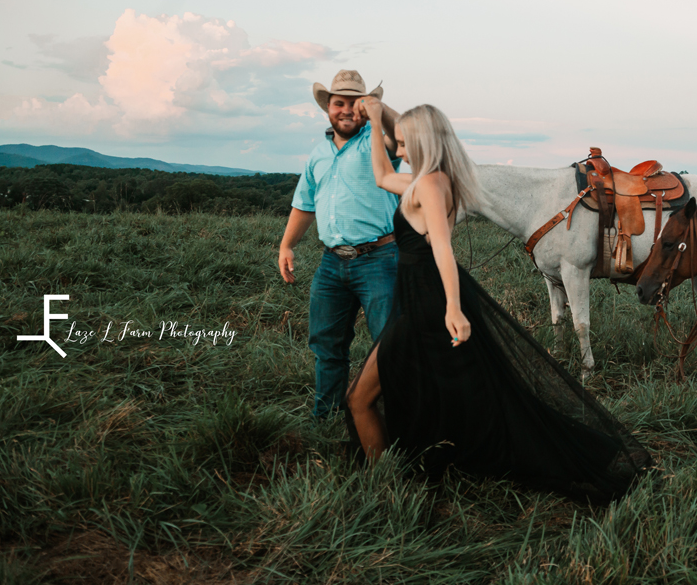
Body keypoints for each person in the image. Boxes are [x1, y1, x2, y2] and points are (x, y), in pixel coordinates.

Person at [345, 102, 652, 502]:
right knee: (461, 394)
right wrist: (375, 117)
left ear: (421, 143)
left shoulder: (433, 185)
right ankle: (399, 476)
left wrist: (453, 308)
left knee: (360, 397)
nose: (398, 151)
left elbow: (441, 249)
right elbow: (382, 175)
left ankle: (385, 491)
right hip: (416, 299)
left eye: (403, 144)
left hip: (428, 302)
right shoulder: (429, 181)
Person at [278, 69, 402, 419]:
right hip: (331, 264)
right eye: (339, 103)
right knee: (326, 344)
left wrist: (378, 110)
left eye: (355, 103)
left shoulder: (380, 141)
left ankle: (398, 422)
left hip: (379, 259)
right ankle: (328, 418)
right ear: (327, 108)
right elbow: (304, 204)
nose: (346, 110)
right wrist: (287, 246)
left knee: (388, 344)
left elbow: (405, 134)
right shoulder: (318, 153)